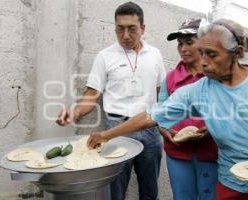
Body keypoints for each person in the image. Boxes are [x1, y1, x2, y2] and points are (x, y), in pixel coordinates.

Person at [87, 19, 248, 200]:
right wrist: (105, 135)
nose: (203, 62)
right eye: (202, 53)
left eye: (212, 55)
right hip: (233, 185)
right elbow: (151, 116)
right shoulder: (198, 91)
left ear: (237, 53)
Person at [56, 2, 166, 200]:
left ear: (143, 28)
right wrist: (75, 112)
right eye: (119, 29)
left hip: (149, 129)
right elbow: (92, 95)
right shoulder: (105, 56)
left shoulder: (155, 55)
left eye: (132, 29)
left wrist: (163, 124)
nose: (125, 35)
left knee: (150, 189)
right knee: (115, 190)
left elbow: (161, 93)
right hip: (116, 130)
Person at [157, 18, 218, 200]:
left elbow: (229, 111)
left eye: (189, 43)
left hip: (211, 152)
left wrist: (212, 127)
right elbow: (160, 112)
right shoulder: (170, 78)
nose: (183, 49)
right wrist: (163, 129)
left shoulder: (216, 75)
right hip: (178, 154)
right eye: (180, 44)